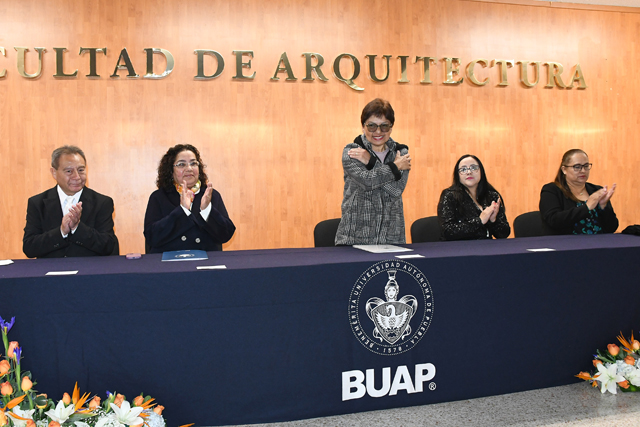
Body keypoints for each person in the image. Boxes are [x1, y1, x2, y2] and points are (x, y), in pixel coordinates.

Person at [335, 99, 411, 245]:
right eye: (371, 126)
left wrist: (370, 162)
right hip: (354, 238)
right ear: (363, 127)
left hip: (391, 239)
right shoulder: (352, 151)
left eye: (384, 126)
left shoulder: (401, 153)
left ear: (391, 127)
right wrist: (395, 167)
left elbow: (396, 190)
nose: (378, 132)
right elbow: (367, 182)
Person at [23, 146, 119, 258]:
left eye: (81, 170)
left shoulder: (102, 202)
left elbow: (109, 246)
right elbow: (29, 248)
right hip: (50, 268)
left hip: (89, 268)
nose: (77, 177)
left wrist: (78, 228)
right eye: (69, 171)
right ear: (54, 173)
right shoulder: (37, 203)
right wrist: (61, 232)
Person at [144, 144, 235, 253]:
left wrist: (207, 211)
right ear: (171, 171)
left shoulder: (210, 195)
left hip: (206, 260)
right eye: (181, 164)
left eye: (193, 163)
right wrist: (182, 211)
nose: (189, 168)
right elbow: (152, 236)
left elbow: (226, 234)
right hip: (170, 260)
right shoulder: (159, 197)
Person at [539, 149, 617, 234]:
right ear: (564, 169)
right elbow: (553, 220)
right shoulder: (551, 190)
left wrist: (603, 207)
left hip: (599, 241)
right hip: (567, 242)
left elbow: (612, 228)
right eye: (577, 167)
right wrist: (586, 207)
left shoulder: (596, 190)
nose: (583, 170)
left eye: (586, 166)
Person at [437, 154, 510, 241]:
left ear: (481, 171)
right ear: (458, 175)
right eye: (463, 169)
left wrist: (493, 220)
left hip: (487, 246)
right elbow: (447, 231)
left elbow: (504, 234)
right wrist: (479, 221)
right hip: (459, 247)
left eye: (473, 168)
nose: (469, 172)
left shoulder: (491, 196)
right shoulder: (450, 195)